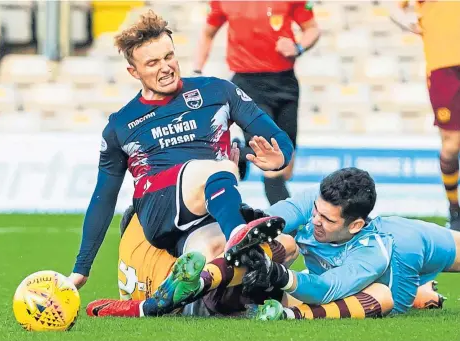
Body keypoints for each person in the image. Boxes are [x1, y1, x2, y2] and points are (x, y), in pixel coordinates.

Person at [68, 10, 294, 300]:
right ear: (133, 72)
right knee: (214, 169)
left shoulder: (217, 91)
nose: (165, 68)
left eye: (168, 57)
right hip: (157, 207)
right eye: (152, 63)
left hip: (209, 211)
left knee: (277, 248)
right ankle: (238, 233)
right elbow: (103, 197)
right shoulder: (120, 124)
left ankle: (200, 300)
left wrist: (280, 157)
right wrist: (81, 267)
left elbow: (277, 137)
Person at [237, 167, 459, 320]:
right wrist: (245, 224)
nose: (315, 220)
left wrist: (277, 274)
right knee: (285, 243)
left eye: (327, 219)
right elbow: (272, 220)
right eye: (316, 211)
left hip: (411, 249)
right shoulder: (319, 201)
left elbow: (329, 289)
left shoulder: (388, 250)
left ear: (355, 225)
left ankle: (419, 293)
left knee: (385, 304)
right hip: (378, 248)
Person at [193, 0, 320, 204]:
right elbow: (208, 32)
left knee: (286, 167)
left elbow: (312, 29)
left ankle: (238, 152)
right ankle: (289, 227)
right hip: (247, 85)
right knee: (273, 162)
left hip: (285, 83)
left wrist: (298, 47)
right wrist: (197, 71)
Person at [86, 206, 300, 317]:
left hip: (157, 299)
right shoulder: (163, 216)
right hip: (200, 297)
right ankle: (284, 308)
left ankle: (257, 307)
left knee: (247, 261)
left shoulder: (132, 244)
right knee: (288, 246)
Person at [391, 1, 460, 230]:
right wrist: (405, 21)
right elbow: (394, 8)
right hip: (444, 68)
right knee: (451, 146)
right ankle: (454, 208)